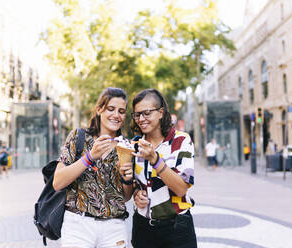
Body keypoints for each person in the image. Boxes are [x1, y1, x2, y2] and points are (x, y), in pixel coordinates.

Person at [53, 87, 133, 248]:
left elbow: (125, 197)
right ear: (99, 110)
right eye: (111, 109)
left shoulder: (126, 146)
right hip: (78, 224)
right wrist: (90, 157)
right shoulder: (79, 137)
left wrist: (127, 179)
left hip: (114, 227)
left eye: (121, 111)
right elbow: (58, 182)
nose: (116, 115)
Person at [130, 88, 197, 248]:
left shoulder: (180, 141)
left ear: (161, 112)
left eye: (147, 113)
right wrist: (136, 194)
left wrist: (154, 159)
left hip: (177, 229)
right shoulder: (134, 144)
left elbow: (181, 189)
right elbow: (134, 184)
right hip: (143, 228)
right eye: (137, 114)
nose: (141, 119)